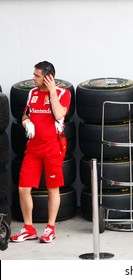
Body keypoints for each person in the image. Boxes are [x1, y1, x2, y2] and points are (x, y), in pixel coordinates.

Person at [10, 61, 71, 243]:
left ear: (48, 77)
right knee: (23, 188)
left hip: (53, 146)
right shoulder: (32, 93)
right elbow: (25, 113)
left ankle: (50, 228)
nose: (33, 78)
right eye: (34, 75)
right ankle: (28, 228)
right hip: (33, 148)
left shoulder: (63, 93)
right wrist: (26, 122)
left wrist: (52, 91)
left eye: (37, 76)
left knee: (53, 188)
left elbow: (60, 114)